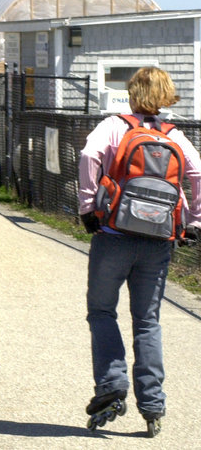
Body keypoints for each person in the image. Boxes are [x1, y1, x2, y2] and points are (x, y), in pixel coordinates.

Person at [79, 66, 201, 437]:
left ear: (132, 93)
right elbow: (198, 174)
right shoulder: (175, 135)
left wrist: (88, 207)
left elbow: (88, 156)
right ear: (166, 95)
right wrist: (194, 222)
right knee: (147, 321)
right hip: (159, 240)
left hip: (114, 232)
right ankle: (152, 405)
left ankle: (112, 386)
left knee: (102, 311)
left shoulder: (115, 127)